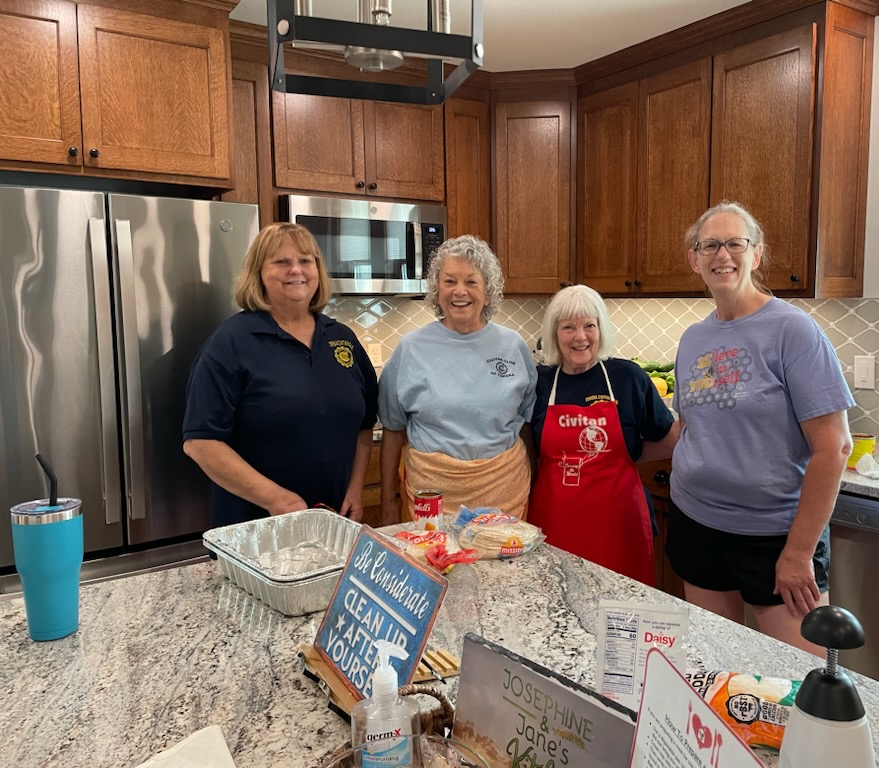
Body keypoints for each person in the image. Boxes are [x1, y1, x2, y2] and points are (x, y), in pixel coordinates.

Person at [667, 201, 854, 654]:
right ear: (695, 258)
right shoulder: (693, 338)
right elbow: (693, 426)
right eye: (709, 245)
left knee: (800, 682)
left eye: (735, 243)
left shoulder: (793, 331)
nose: (722, 255)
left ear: (757, 253)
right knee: (715, 670)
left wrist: (798, 552)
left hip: (775, 536)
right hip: (697, 523)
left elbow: (835, 448)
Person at [183, 222, 378, 527]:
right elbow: (201, 443)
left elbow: (365, 425)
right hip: (255, 530)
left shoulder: (341, 338)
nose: (296, 270)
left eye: (305, 261)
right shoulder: (232, 342)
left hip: (335, 523)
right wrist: (277, 499)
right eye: (282, 262)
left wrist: (356, 487)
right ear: (259, 273)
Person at [377, 235, 537, 525]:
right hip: (431, 495)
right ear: (437, 291)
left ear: (488, 292)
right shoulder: (411, 348)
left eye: (471, 282)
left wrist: (536, 487)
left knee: (505, 571)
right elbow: (393, 430)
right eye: (449, 281)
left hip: (505, 491)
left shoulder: (513, 347)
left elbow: (525, 424)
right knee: (435, 568)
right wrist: (387, 499)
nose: (459, 291)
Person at [529, 285, 680, 585]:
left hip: (619, 526)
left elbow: (670, 437)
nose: (580, 337)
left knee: (622, 616)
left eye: (589, 325)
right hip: (555, 523)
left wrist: (630, 451)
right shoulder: (539, 382)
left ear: (601, 329)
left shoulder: (627, 378)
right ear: (554, 333)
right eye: (568, 327)